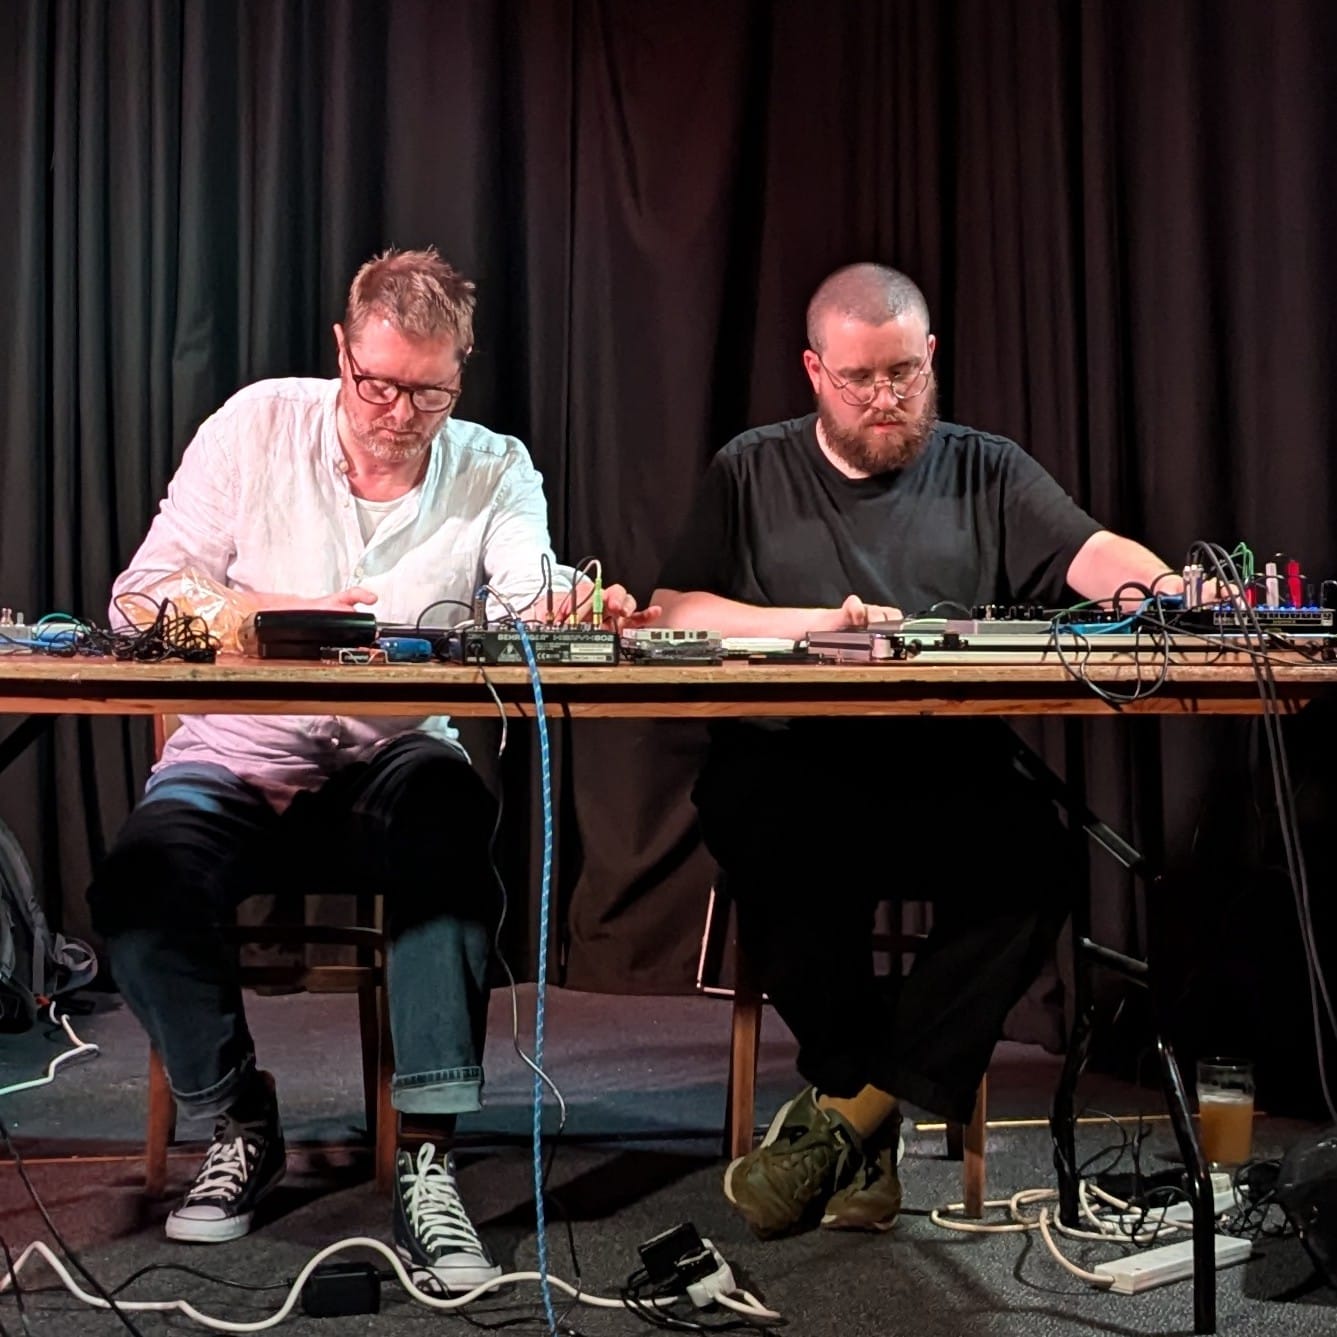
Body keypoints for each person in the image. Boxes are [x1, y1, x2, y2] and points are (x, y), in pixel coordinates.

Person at [88, 247, 652, 1291]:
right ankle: (239, 1116)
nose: (398, 414)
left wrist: (567, 603)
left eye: (428, 392)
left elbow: (524, 591)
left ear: (460, 371)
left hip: (390, 761)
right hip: (236, 757)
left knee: (448, 815)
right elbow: (138, 598)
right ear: (342, 350)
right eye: (377, 384)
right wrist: (268, 616)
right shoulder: (254, 425)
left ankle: (428, 1152)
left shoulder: (492, 465)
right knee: (137, 887)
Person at [651, 262, 1184, 1240]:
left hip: (939, 767)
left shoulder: (986, 467)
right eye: (858, 378)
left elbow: (1089, 551)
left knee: (1039, 856)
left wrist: (1172, 591)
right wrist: (815, 623)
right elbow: (676, 606)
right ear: (814, 371)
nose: (884, 396)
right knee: (763, 829)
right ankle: (869, 1111)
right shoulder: (750, 468)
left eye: (902, 372)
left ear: (929, 355)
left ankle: (849, 1110)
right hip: (789, 764)